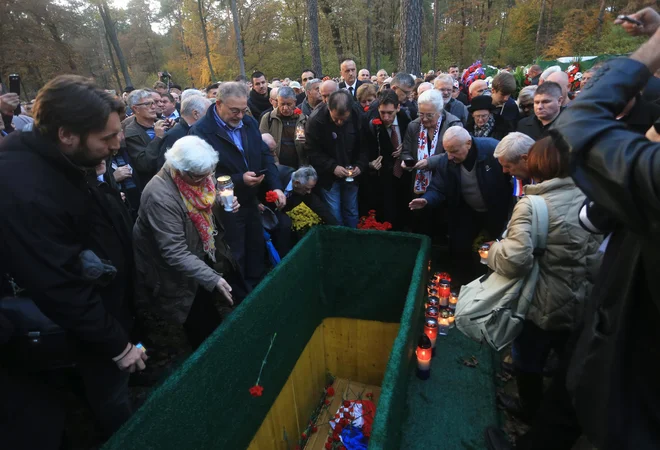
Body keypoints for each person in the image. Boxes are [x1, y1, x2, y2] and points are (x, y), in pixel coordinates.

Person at [0, 75, 147, 447]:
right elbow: (58, 283)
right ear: (67, 134)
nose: (117, 145)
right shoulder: (24, 189)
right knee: (109, 394)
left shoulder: (67, 159)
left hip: (106, 307)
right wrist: (116, 344)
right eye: (107, 138)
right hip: (86, 323)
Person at [487, 136, 602, 428]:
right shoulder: (590, 195)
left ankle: (530, 410)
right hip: (580, 295)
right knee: (566, 354)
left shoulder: (534, 205)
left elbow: (515, 260)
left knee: (527, 358)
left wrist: (492, 252)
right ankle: (564, 407)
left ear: (534, 163)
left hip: (541, 300)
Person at [133, 136, 247, 350]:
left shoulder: (198, 176)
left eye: (209, 174)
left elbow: (205, 205)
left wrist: (222, 204)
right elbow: (173, 252)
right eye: (200, 177)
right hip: (173, 271)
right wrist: (212, 278)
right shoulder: (160, 196)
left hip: (199, 253)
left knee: (216, 305)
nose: (207, 180)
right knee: (200, 322)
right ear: (181, 170)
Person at [190, 82, 284, 287]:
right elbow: (203, 177)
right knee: (236, 254)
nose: (240, 116)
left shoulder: (249, 123)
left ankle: (259, 290)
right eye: (234, 111)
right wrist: (240, 179)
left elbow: (264, 154)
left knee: (256, 247)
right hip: (225, 208)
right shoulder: (200, 133)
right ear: (218, 104)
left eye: (243, 110)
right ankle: (241, 299)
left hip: (251, 200)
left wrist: (275, 186)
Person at [409, 126, 511, 284]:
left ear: (468, 143)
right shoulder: (446, 161)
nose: (449, 156)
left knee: (498, 249)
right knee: (459, 247)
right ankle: (463, 285)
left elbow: (510, 180)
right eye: (447, 151)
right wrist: (427, 199)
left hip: (497, 210)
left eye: (454, 151)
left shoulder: (492, 150)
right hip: (466, 211)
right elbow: (438, 187)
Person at [306, 90, 367, 227]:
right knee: (334, 213)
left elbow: (365, 145)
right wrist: (332, 167)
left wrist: (360, 165)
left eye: (344, 119)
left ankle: (353, 239)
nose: (339, 122)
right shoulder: (316, 120)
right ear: (328, 108)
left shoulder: (358, 116)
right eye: (335, 119)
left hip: (352, 173)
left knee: (351, 211)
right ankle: (338, 242)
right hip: (328, 177)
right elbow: (312, 151)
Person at [363, 89, 412, 229]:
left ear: (398, 107)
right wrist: (369, 163)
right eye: (382, 112)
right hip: (383, 178)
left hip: (405, 175)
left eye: (390, 113)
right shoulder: (371, 122)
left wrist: (406, 146)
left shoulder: (406, 118)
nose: (386, 117)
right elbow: (364, 148)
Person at [124, 89, 169, 184]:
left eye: (153, 103)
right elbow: (144, 164)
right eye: (148, 104)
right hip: (155, 184)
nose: (153, 107)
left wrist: (173, 130)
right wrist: (158, 138)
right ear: (135, 109)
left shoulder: (163, 123)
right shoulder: (130, 133)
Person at [158, 94, 213, 170]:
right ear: (196, 114)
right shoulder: (174, 135)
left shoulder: (198, 131)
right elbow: (166, 168)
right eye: (208, 114)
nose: (211, 118)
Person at [259, 86, 308, 168]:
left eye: (289, 104)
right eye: (282, 104)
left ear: (295, 102)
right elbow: (261, 144)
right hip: (276, 166)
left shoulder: (303, 119)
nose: (285, 108)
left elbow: (307, 144)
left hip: (298, 167)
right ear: (277, 101)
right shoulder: (268, 118)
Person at [493, 132, 536, 198]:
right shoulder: (515, 180)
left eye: (508, 166)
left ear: (525, 159)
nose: (504, 171)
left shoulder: (549, 182)